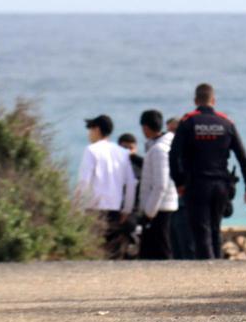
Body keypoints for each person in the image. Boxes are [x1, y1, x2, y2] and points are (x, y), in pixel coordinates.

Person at [169, 84, 246, 259]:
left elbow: (173, 156)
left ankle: (208, 271)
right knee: (215, 229)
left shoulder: (188, 122)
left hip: (196, 184)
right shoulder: (226, 122)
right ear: (213, 100)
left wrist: (178, 182)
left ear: (196, 101)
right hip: (221, 185)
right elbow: (243, 157)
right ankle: (217, 268)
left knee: (201, 231)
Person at [76, 114, 138, 259]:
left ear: (97, 130)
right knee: (113, 254)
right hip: (116, 210)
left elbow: (84, 182)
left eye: (90, 130)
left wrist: (77, 207)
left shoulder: (91, 150)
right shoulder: (122, 153)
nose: (89, 134)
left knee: (94, 251)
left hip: (94, 209)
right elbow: (130, 183)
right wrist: (127, 209)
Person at [136, 109, 178, 260]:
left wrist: (148, 212)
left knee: (161, 250)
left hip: (160, 208)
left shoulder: (159, 150)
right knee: (154, 250)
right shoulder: (162, 146)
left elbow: (161, 184)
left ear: (145, 127)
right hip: (162, 205)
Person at [164, 116, 194, 259]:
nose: (171, 135)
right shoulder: (168, 150)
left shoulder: (188, 150)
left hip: (185, 204)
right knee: (175, 246)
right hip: (172, 204)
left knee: (186, 244)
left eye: (174, 131)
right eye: (168, 131)